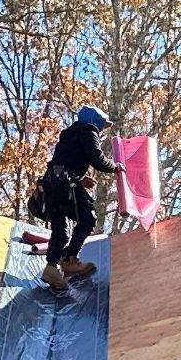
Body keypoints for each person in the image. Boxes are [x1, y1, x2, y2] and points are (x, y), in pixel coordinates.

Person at [36, 104, 119, 293]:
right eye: (101, 125)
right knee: (88, 218)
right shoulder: (88, 130)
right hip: (66, 184)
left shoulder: (69, 134)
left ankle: (51, 267)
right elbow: (96, 158)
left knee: (61, 228)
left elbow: (63, 162)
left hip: (52, 184)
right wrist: (116, 167)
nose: (101, 130)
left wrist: (81, 179)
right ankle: (69, 260)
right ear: (95, 121)